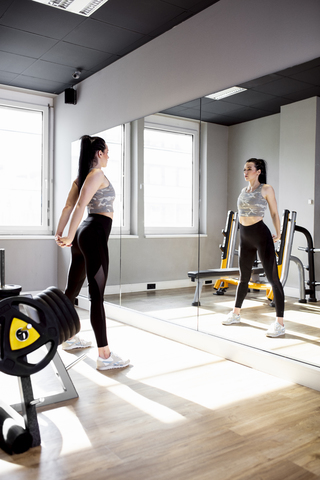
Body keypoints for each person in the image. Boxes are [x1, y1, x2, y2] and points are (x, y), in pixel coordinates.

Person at [55, 135, 130, 370]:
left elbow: (69, 206)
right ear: (99, 153)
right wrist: (67, 235)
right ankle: (105, 356)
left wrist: (62, 233)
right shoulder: (96, 174)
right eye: (107, 151)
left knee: (72, 290)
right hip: (93, 233)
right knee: (97, 295)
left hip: (83, 235)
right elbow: (78, 206)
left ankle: (65, 337)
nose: (109, 155)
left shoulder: (81, 176)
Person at [222, 158, 285, 337]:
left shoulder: (266, 189)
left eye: (249, 169)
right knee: (243, 278)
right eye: (244, 169)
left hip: (260, 236)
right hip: (245, 237)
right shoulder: (243, 191)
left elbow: (273, 212)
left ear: (258, 171)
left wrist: (278, 233)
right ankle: (235, 314)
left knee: (273, 279)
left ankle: (280, 323)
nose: (245, 172)